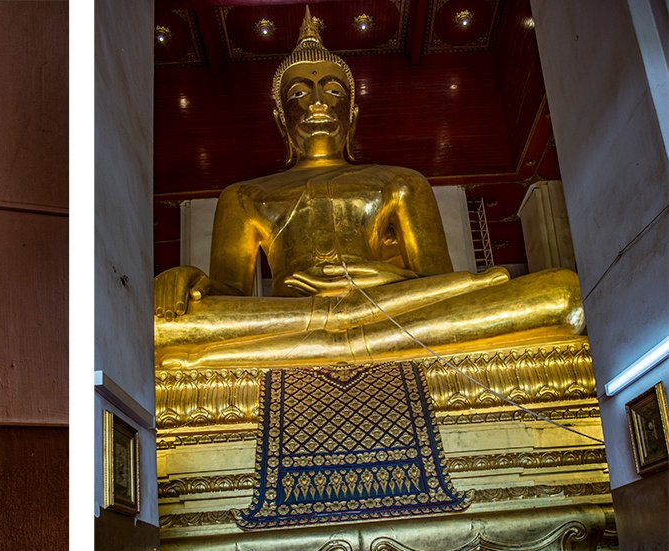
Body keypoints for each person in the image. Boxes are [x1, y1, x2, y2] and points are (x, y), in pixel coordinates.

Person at [153, 9, 584, 368]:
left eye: (333, 90)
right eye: (299, 92)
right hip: (294, 315)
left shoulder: (399, 181)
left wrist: (393, 278)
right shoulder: (244, 195)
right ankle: (344, 336)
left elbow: (439, 282)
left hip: (389, 308)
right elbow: (232, 298)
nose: (317, 102)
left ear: (352, 113)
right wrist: (188, 277)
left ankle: (335, 340)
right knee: (160, 326)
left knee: (564, 292)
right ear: (281, 119)